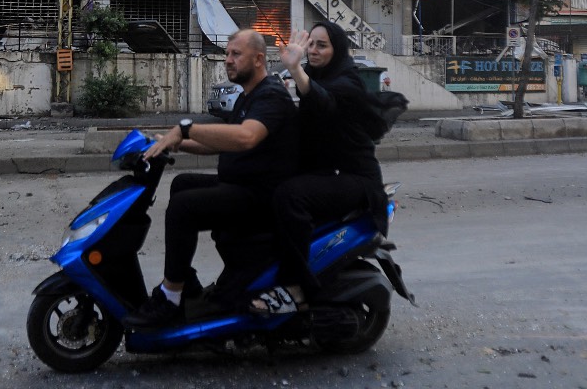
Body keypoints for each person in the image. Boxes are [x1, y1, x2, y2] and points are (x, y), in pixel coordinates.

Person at [123, 28, 299, 329]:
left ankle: (171, 297)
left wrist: (186, 129)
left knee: (183, 208)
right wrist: (171, 142)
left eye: (235, 54)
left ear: (258, 59)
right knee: (182, 185)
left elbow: (246, 137)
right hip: (243, 188)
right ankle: (185, 281)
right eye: (227, 54)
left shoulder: (271, 95)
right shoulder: (249, 96)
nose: (227, 60)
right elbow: (219, 142)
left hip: (263, 198)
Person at [251, 21, 390, 315]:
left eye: (321, 45)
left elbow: (322, 101)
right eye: (310, 44)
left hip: (355, 179)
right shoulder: (314, 75)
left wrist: (295, 68)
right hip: (327, 170)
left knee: (291, 195)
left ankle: (295, 289)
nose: (313, 50)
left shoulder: (348, 81)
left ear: (336, 50)